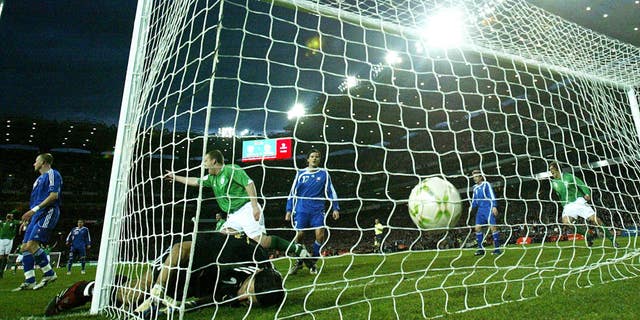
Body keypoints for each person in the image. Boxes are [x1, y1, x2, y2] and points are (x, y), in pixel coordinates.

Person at [45, 233, 285, 317]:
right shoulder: (235, 252)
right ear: (253, 277)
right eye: (246, 293)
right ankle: (85, 288)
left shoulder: (268, 282)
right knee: (133, 297)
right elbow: (183, 250)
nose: (242, 299)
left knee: (146, 310)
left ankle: (118, 284)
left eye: (248, 302)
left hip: (204, 279)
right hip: (181, 258)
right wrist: (158, 290)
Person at [164, 150, 309, 258]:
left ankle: (296, 249)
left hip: (246, 208)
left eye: (206, 161)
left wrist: (254, 207)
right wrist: (175, 177)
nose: (204, 164)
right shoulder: (211, 178)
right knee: (221, 240)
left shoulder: (231, 169)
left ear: (214, 161)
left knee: (261, 242)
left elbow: (249, 183)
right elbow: (195, 181)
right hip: (233, 215)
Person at [285, 149, 340, 275]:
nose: (314, 158)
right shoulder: (300, 173)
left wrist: (335, 208)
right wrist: (288, 209)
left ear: (320, 160)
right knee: (299, 236)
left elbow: (331, 191)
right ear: (308, 159)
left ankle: (312, 262)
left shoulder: (324, 174)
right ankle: (299, 260)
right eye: (312, 156)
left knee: (320, 235)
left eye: (317, 156)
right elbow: (292, 193)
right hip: (301, 209)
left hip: (317, 210)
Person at [14, 153, 62, 291]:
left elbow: (54, 196)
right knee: (24, 247)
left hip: (48, 212)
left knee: (32, 245)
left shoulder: (53, 174)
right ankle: (30, 281)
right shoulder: (38, 180)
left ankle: (49, 274)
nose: (34, 164)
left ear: (43, 162)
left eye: (36, 161)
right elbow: (35, 201)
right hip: (35, 215)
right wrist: (29, 218)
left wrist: (33, 211)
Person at [549, 161, 617, 247]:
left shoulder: (569, 177)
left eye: (552, 168)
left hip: (578, 201)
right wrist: (564, 205)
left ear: (557, 169)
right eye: (550, 169)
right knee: (566, 222)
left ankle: (612, 239)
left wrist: (587, 193)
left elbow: (581, 184)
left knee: (595, 220)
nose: (551, 171)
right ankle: (588, 235)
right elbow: (559, 196)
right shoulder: (553, 183)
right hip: (568, 205)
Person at [470, 169, 501, 256]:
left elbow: (491, 195)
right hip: (480, 210)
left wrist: (494, 206)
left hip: (488, 208)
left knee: (493, 228)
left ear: (480, 177)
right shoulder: (475, 188)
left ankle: (497, 249)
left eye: (476, 176)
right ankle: (480, 249)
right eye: (473, 177)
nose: (475, 178)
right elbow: (474, 200)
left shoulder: (486, 184)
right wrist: (471, 207)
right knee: (477, 228)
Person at [0, 212, 19, 278]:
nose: (9, 216)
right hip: (1, 240)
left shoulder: (13, 223)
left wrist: (12, 219)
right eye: (8, 215)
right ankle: (0, 270)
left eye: (10, 215)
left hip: (9, 240)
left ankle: (1, 271)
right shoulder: (2, 222)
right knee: (1, 256)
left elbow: (19, 222)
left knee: (6, 256)